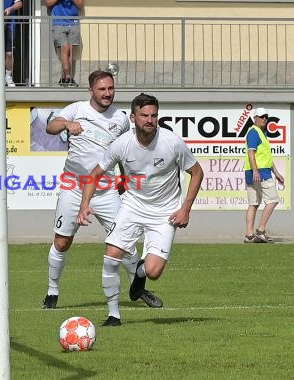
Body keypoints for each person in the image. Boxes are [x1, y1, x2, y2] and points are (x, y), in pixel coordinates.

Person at [41, 72, 164, 320]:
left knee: (124, 243)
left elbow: (122, 153)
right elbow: (50, 126)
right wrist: (66, 124)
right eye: (102, 89)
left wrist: (124, 180)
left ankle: (138, 288)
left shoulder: (120, 119)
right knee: (62, 242)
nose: (107, 93)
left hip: (106, 190)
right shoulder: (77, 109)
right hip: (73, 187)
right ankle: (52, 291)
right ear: (91, 91)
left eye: (110, 88)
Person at [77, 93, 204, 326]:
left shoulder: (172, 142)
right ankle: (113, 315)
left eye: (154, 115)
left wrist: (186, 208)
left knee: (154, 271)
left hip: (165, 212)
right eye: (144, 115)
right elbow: (93, 175)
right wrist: (84, 205)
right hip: (133, 206)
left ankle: (140, 273)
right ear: (133, 118)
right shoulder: (122, 144)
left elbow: (197, 172)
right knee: (111, 257)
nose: (150, 120)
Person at [243, 107, 284, 243]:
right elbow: (251, 153)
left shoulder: (262, 132)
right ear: (255, 118)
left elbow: (266, 157)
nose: (264, 119)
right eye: (261, 116)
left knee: (253, 203)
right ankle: (260, 231)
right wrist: (255, 170)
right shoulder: (254, 132)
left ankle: (249, 236)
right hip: (260, 172)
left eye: (266, 116)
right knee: (273, 199)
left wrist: (277, 173)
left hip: (255, 172)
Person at [45, 0, 82, 87]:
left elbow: (80, 4)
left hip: (73, 22)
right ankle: (68, 77)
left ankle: (64, 78)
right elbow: (48, 3)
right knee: (65, 48)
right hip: (58, 23)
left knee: (70, 51)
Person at [3, 0, 22, 87]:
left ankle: (8, 76)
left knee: (9, 53)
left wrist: (10, 9)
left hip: (10, 25)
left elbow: (19, 4)